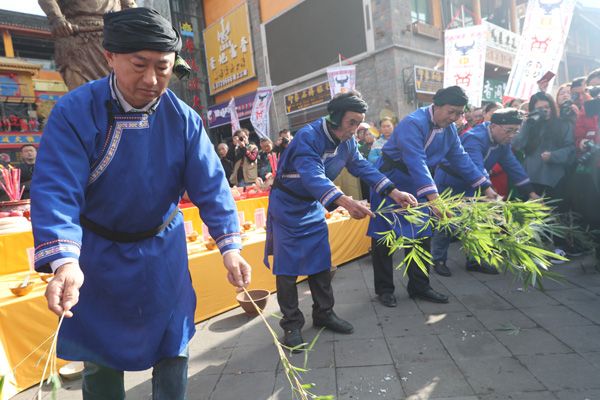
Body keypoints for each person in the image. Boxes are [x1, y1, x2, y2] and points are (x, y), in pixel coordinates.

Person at [30, 8, 251, 399]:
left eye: (163, 68)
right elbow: (56, 190)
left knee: (174, 347)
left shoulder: (183, 119)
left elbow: (212, 186)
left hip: (163, 251)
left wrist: (230, 247)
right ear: (110, 57)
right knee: (101, 355)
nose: (151, 80)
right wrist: (65, 262)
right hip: (98, 257)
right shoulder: (74, 113)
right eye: (138, 65)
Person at [264, 91, 416, 349]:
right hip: (287, 206)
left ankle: (324, 313)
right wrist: (345, 202)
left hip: (312, 206)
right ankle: (291, 325)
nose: (355, 130)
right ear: (335, 118)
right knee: (288, 269)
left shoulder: (347, 143)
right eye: (351, 123)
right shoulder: (308, 137)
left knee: (321, 262)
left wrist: (394, 191)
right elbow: (313, 176)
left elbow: (361, 166)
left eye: (359, 123)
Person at [368, 86, 499, 307]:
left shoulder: (449, 130)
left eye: (459, 113)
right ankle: (384, 289)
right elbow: (416, 160)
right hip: (391, 181)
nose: (455, 118)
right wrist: (434, 199)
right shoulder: (413, 123)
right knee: (384, 236)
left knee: (420, 235)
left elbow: (461, 158)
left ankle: (420, 286)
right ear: (436, 106)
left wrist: (486, 187)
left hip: (419, 183)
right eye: (451, 111)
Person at [431, 108, 540, 276]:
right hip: (451, 183)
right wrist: (489, 192)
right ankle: (439, 259)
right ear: (494, 126)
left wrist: (531, 193)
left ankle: (475, 260)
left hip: (477, 184)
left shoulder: (502, 142)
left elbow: (513, 166)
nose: (512, 135)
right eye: (509, 131)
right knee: (447, 222)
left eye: (516, 131)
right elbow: (475, 167)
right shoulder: (474, 138)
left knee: (477, 221)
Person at [512, 91, 575, 259]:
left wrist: (554, 156)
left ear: (552, 107)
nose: (544, 111)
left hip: (555, 177)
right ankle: (535, 248)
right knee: (534, 214)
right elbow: (517, 145)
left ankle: (559, 247)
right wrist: (527, 123)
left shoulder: (563, 124)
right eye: (539, 108)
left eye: (547, 107)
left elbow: (571, 149)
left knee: (556, 213)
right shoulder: (530, 125)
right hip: (532, 177)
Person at [38, 0, 137, 90]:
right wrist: (57, 18)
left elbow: (130, 7)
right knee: (81, 91)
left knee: (114, 88)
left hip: (112, 36)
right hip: (76, 37)